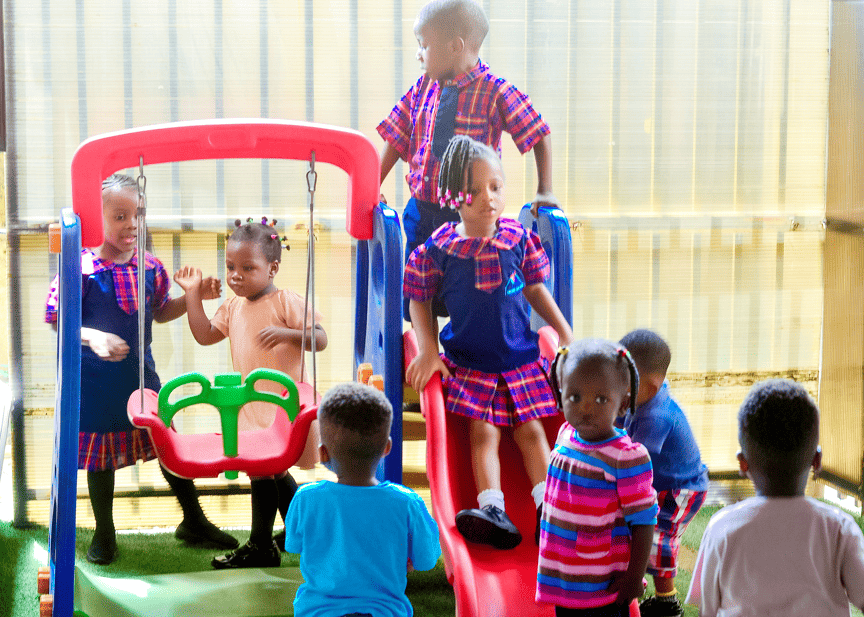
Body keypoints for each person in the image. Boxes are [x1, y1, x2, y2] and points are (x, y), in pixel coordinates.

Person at [44, 173, 237, 565]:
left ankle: (194, 520)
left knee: (167, 446)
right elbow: (56, 317)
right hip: (94, 384)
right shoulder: (79, 268)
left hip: (140, 378)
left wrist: (193, 297)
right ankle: (105, 531)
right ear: (97, 219)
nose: (132, 223)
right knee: (101, 461)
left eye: (138, 214)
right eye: (119, 216)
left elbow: (161, 312)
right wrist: (93, 336)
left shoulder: (151, 267)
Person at [405, 135, 574, 549]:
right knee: (484, 434)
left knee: (534, 432)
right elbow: (419, 299)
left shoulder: (517, 239)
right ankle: (493, 509)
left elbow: (536, 290)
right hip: (471, 364)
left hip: (521, 360)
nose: (488, 198)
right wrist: (428, 348)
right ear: (452, 195)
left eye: (495, 187)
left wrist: (566, 332)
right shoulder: (440, 249)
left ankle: (547, 507)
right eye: (474, 190)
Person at [378, 0, 559, 318]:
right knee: (420, 293)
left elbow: (538, 133)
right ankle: (428, 354)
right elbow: (396, 137)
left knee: (466, 297)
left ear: (454, 46)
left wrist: (545, 190)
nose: (420, 54)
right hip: (422, 212)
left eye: (424, 46)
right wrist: (371, 185)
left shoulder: (495, 91)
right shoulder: (423, 87)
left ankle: (465, 355)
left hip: (470, 218)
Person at [174, 217, 328, 569]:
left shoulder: (286, 301)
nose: (235, 275)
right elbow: (204, 334)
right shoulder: (233, 306)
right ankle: (303, 534)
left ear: (272, 268)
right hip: (252, 408)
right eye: (230, 267)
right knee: (270, 471)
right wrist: (193, 294)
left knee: (264, 471)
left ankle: (261, 546)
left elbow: (319, 339)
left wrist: (287, 334)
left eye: (247, 267)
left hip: (283, 408)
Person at [686, 379, 864, 615]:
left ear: (742, 463)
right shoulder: (839, 529)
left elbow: (707, 610)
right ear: (817, 460)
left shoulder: (722, 527)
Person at [284, 382, 441, 617]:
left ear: (322, 452)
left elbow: (294, 546)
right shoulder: (408, 503)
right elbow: (426, 560)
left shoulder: (305, 498)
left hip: (317, 611)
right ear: (387, 447)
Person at [538, 338, 659, 616]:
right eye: (575, 397)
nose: (586, 408)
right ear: (560, 395)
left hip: (602, 587)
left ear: (622, 404)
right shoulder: (565, 435)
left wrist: (633, 577)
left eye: (601, 399)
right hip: (563, 580)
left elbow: (644, 521)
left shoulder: (626, 457)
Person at [617, 329, 708, 617]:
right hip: (664, 483)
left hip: (681, 488)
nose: (619, 388)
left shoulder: (656, 415)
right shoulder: (641, 396)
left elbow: (634, 459)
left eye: (625, 383)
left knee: (659, 536)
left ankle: (667, 602)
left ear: (652, 387)